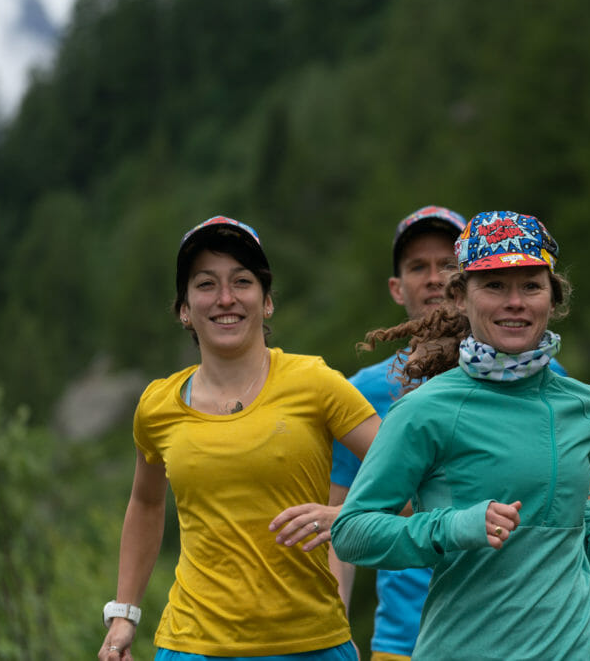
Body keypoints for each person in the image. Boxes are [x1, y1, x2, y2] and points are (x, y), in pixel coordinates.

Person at [330, 211, 590, 660]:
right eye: (494, 286)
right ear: (460, 298)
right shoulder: (425, 408)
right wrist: (454, 526)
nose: (515, 302)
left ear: (553, 296)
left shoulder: (583, 405)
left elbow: (571, 515)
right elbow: (353, 532)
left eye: (531, 285)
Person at [98, 216, 380, 661]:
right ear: (184, 309)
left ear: (266, 302)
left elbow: (404, 473)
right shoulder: (158, 406)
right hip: (192, 645)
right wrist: (123, 614)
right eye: (206, 284)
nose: (225, 298)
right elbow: (147, 503)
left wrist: (345, 514)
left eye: (242, 281)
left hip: (311, 644)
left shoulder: (315, 383)